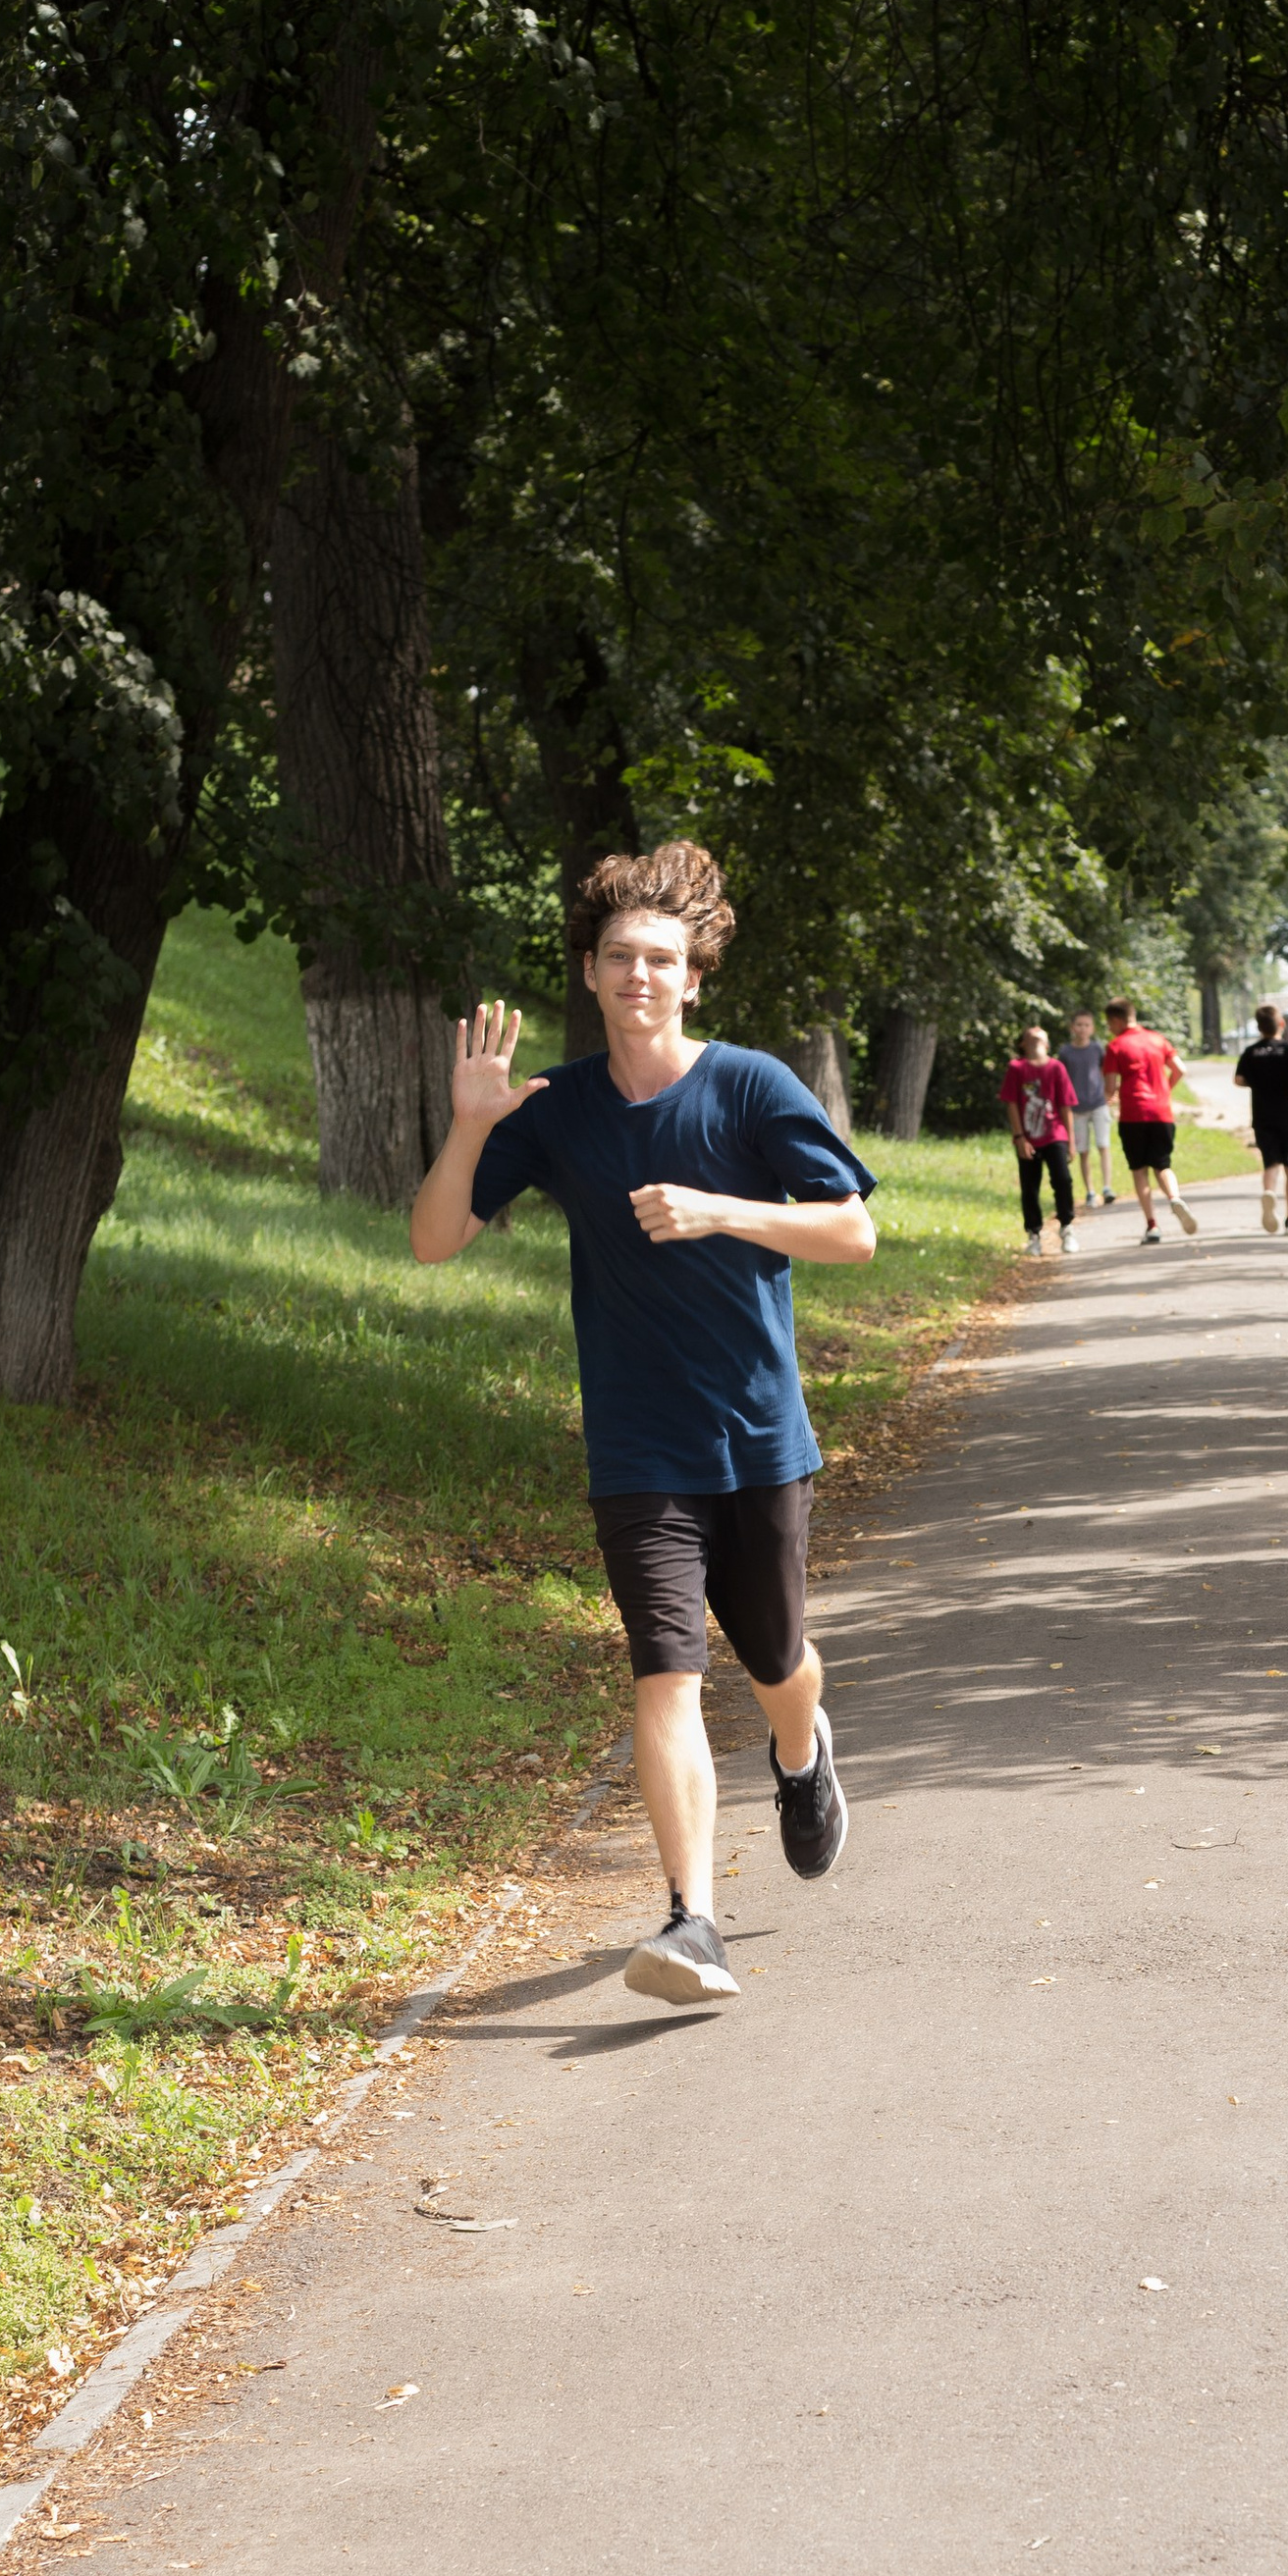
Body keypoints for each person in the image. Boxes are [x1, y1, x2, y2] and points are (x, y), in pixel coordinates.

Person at [409, 840, 876, 2010]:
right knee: (666, 1671)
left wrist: (720, 1209)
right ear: (589, 971)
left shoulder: (752, 1085)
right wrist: (470, 1124)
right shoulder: (554, 1108)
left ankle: (800, 1749)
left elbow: (852, 1232)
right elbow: (433, 1239)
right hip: (636, 1445)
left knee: (776, 1664)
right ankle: (690, 1919)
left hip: (759, 1435)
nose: (639, 976)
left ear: (693, 975)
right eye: (619, 956)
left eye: (660, 958)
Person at [1101, 996, 1202, 1243]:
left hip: (1134, 1114)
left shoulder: (1115, 1046)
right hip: (1161, 1112)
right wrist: (1165, 1090)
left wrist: (1110, 1097)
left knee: (1139, 1170)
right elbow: (1180, 1069)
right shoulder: (1158, 1039)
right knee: (1162, 1165)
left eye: (1109, 1023)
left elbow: (1111, 1085)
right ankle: (1174, 1198)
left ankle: (1152, 1225)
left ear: (1116, 1020)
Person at [1232, 999, 1288, 1234]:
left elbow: (1238, 1080)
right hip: (1286, 1113)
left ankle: (1268, 1192)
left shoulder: (1250, 1052)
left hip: (1262, 1113)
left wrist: (1256, 1082)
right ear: (1281, 1023)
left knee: (1271, 1163)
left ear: (1258, 1027)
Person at [1000, 1025, 1080, 1256]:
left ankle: (1066, 1227)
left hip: (1055, 1134)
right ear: (1023, 1043)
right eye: (1030, 1034)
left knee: (1063, 1180)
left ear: (1047, 1043)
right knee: (1030, 1187)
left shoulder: (1056, 1068)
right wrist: (1019, 1137)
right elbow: (1012, 1103)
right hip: (1028, 1138)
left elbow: (1066, 1105)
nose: (1035, 1034)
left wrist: (1071, 1141)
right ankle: (1034, 1234)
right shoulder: (1016, 1068)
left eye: (1041, 1034)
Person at [1058, 1012, 1115, 1204]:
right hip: (1076, 1108)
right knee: (1083, 1151)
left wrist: (1109, 1094)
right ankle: (1090, 1191)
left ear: (1092, 1028)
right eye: (1079, 1024)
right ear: (1072, 1027)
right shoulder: (1065, 1052)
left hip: (1098, 1104)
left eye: (1087, 1025)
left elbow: (1105, 1072)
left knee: (1103, 1145)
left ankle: (1107, 1187)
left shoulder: (1097, 1049)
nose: (1083, 1028)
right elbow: (1062, 1079)